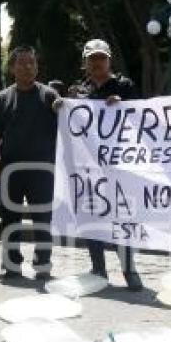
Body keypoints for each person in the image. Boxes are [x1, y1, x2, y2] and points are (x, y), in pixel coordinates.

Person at [63, 39, 143, 290]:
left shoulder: (125, 86)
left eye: (101, 58)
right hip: (87, 169)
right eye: (92, 58)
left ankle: (129, 269)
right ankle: (98, 269)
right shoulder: (77, 92)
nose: (97, 62)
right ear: (84, 62)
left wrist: (123, 105)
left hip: (119, 166)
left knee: (121, 216)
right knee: (91, 218)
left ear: (109, 60)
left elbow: (142, 115)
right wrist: (61, 108)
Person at [0, 46, 59, 281]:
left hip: (43, 171)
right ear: (11, 68)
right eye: (22, 63)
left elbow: (70, 124)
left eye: (32, 63)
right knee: (10, 220)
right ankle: (11, 265)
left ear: (37, 67)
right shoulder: (1, 99)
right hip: (11, 170)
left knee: (43, 219)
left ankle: (43, 263)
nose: (28, 67)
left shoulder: (50, 96)